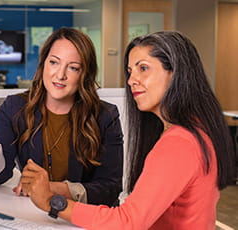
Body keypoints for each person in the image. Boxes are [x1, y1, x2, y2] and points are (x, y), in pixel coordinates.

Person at [20, 31, 236, 229]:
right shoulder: (197, 129)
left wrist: (52, 203)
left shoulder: (179, 143)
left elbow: (128, 222)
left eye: (143, 68)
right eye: (130, 71)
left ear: (175, 73)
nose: (132, 80)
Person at [0, 27, 124, 205]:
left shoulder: (105, 116)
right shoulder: (15, 107)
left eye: (73, 68)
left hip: (82, 217)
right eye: (54, 62)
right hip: (33, 214)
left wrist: (51, 188)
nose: (60, 75)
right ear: (43, 64)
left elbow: (110, 188)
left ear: (84, 75)